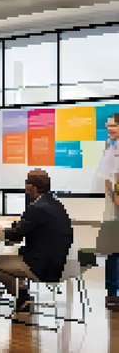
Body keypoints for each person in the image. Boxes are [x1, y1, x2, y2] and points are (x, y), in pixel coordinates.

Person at [0, 169, 74, 313]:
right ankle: (22, 293)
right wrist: (18, 227)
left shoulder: (36, 208)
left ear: (33, 187)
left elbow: (16, 236)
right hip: (61, 263)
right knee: (15, 254)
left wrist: (0, 232)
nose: (25, 187)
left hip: (43, 268)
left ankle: (22, 297)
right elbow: (28, 229)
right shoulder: (55, 204)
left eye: (26, 183)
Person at [94, 113, 119, 309]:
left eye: (113, 125)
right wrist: (114, 196)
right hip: (114, 206)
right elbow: (107, 178)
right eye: (108, 126)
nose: (110, 129)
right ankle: (112, 293)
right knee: (113, 250)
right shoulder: (109, 148)